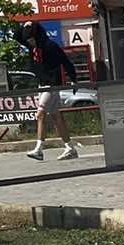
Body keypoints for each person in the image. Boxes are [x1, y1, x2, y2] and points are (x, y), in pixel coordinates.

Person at [20, 21, 81, 161]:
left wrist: (73, 79)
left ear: (37, 36)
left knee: (40, 114)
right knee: (56, 116)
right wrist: (25, 25)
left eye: (32, 40)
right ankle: (70, 147)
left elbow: (66, 61)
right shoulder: (33, 48)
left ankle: (39, 149)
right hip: (43, 85)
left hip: (52, 85)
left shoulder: (50, 46)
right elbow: (18, 36)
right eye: (28, 41)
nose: (30, 43)